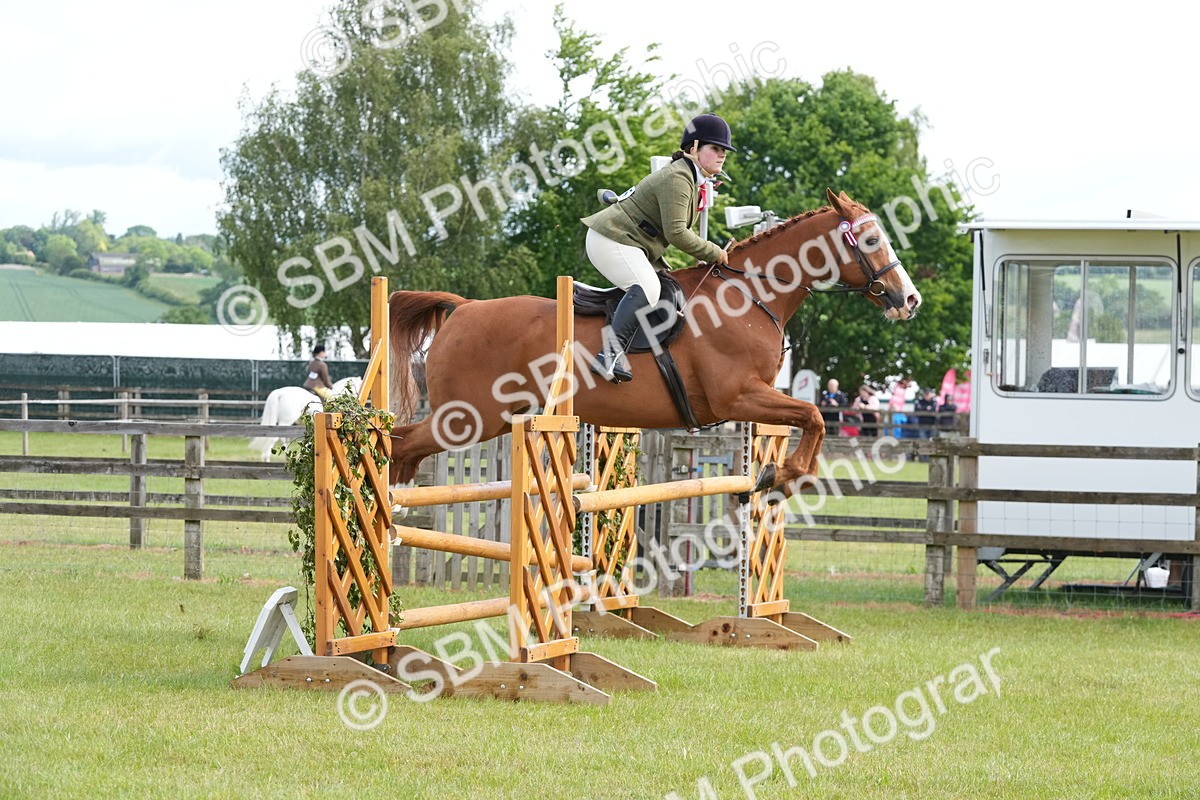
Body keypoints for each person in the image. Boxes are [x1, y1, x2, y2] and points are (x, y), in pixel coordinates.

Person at [580, 113, 734, 383]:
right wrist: (713, 252)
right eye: (715, 148)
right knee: (648, 289)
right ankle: (608, 355)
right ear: (694, 147)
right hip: (611, 239)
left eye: (724, 151)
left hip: (629, 242)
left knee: (664, 285)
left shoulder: (690, 179)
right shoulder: (678, 178)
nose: (722, 155)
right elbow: (677, 233)